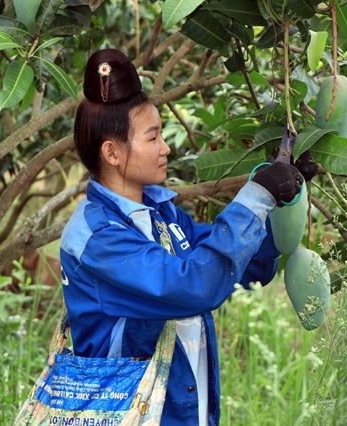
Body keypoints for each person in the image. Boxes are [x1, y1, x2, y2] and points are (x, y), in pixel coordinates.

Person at [60, 48, 316, 425]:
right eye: (153, 138)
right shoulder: (96, 238)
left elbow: (229, 261)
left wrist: (283, 205)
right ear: (112, 152)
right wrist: (255, 197)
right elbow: (194, 286)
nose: (165, 148)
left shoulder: (162, 214)